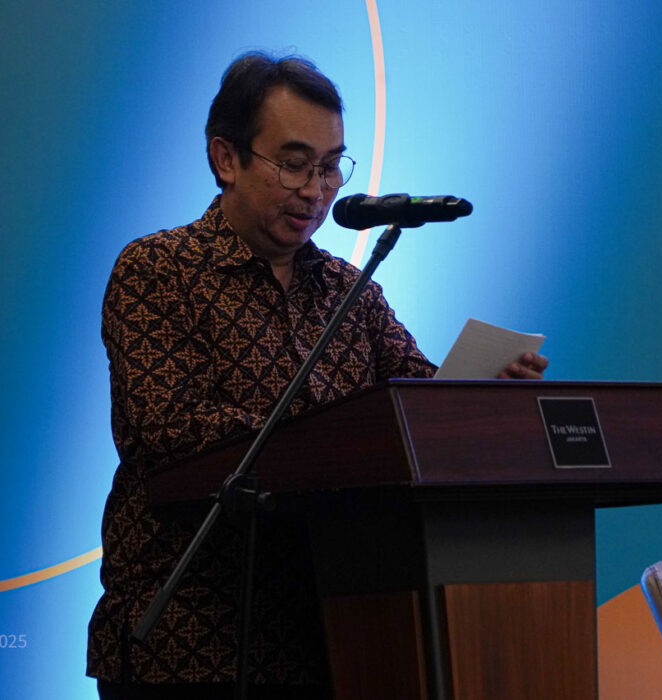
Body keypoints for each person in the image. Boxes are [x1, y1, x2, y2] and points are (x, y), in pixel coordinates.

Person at [87, 51, 548, 699]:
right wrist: (335, 440)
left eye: (331, 166)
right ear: (226, 158)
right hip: (191, 639)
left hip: (340, 634)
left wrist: (479, 399)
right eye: (294, 164)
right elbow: (172, 429)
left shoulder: (347, 289)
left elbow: (413, 403)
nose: (316, 190)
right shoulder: (158, 270)